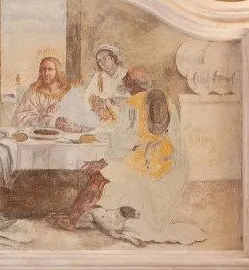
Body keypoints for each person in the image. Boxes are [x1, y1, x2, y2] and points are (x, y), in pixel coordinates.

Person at [53, 67, 202, 244]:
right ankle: (92, 216)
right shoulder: (165, 98)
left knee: (100, 175)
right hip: (165, 163)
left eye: (126, 77)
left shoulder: (132, 104)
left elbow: (122, 140)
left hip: (146, 164)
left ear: (131, 82)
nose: (123, 78)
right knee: (111, 171)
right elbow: (172, 134)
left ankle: (71, 220)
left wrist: (104, 161)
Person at [14, 55, 74, 130]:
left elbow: (76, 115)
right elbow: (20, 118)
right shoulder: (32, 92)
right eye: (43, 69)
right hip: (37, 136)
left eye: (50, 69)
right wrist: (44, 115)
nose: (46, 73)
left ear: (57, 72)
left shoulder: (66, 92)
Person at [81, 44, 126, 125]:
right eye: (99, 61)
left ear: (112, 59)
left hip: (123, 119)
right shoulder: (98, 76)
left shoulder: (125, 74)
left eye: (104, 59)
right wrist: (95, 100)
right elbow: (87, 95)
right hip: (103, 120)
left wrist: (120, 102)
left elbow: (136, 99)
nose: (102, 63)